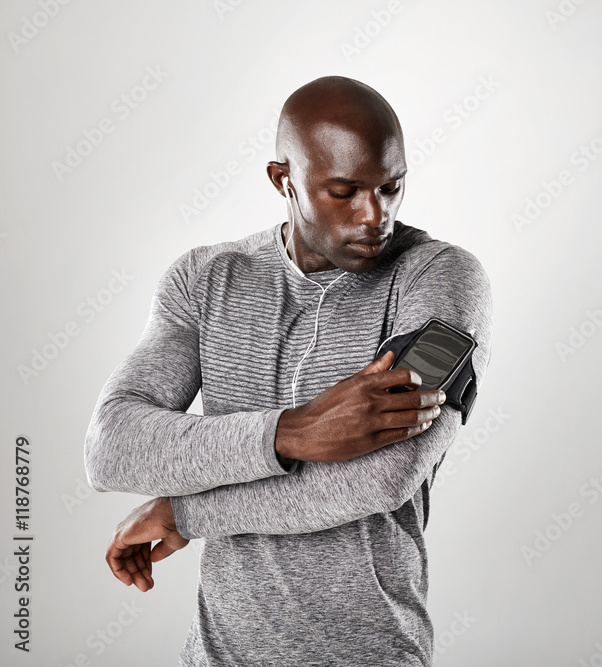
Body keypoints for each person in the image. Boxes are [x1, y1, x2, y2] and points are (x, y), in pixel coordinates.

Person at [84, 75, 493, 666]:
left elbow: (384, 477)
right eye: (344, 191)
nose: (373, 214)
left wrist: (185, 511)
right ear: (284, 181)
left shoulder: (439, 279)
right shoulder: (204, 279)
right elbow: (112, 447)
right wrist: (293, 431)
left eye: (391, 187)